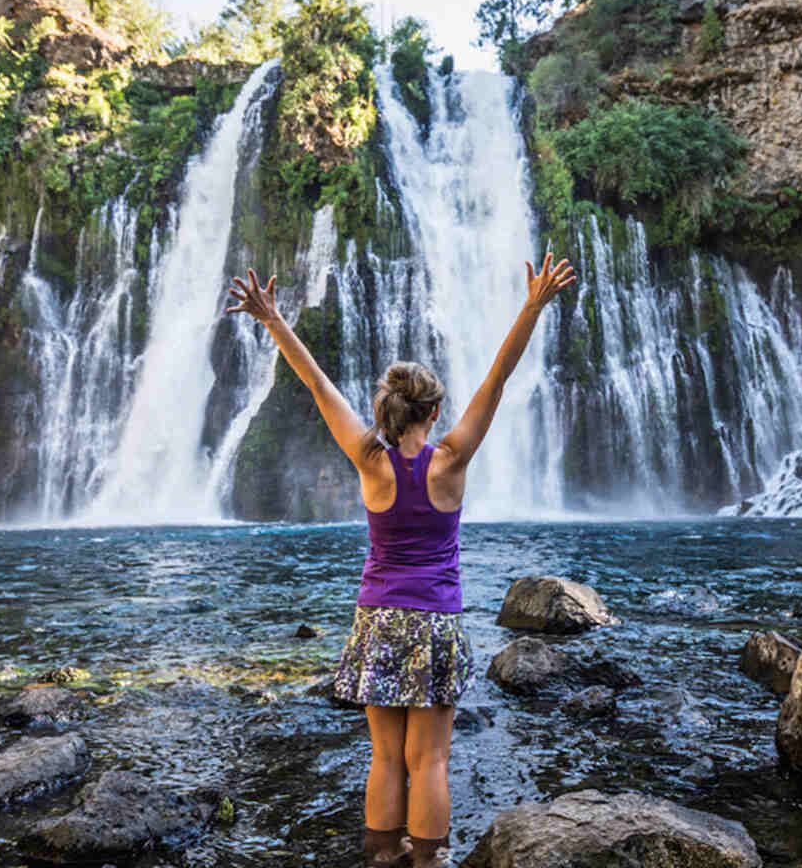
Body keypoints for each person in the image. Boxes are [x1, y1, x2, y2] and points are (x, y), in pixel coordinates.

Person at [227, 253, 576, 867]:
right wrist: (533, 304)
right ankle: (430, 861)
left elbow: (315, 383)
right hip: (435, 620)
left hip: (378, 616)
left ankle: (383, 857)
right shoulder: (451, 461)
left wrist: (272, 318)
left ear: (389, 408)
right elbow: (497, 379)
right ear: (435, 411)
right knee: (431, 759)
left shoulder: (369, 460)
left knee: (385, 757)